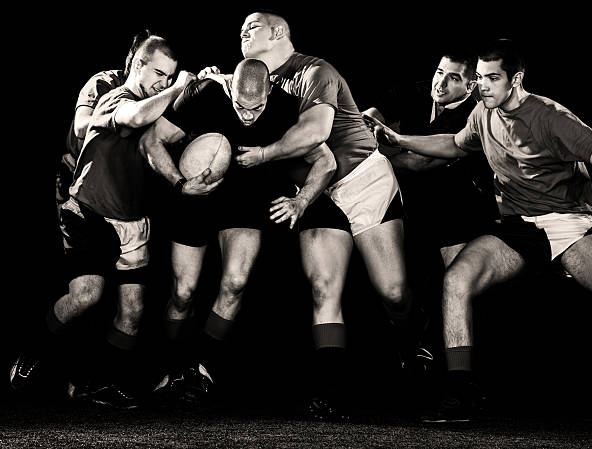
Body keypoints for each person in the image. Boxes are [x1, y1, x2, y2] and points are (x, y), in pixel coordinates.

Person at [364, 38, 592, 422]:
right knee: (457, 278)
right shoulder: (482, 113)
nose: (483, 86)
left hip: (568, 225)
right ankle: (461, 393)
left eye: (492, 79)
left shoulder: (549, 115)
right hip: (518, 228)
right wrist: (400, 139)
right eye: (479, 78)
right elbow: (455, 144)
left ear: (516, 79)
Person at [229, 11, 418, 420]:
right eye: (241, 28)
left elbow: (316, 132)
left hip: (362, 179)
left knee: (393, 293)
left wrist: (262, 155)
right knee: (322, 288)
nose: (242, 32)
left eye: (252, 26)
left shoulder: (316, 71)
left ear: (278, 32)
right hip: (315, 190)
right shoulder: (253, 79)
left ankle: (415, 354)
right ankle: (329, 392)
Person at [139, 58, 341, 407]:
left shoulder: (285, 107)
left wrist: (302, 201)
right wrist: (178, 184)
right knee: (183, 292)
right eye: (240, 107)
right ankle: (170, 370)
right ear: (230, 87)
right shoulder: (203, 94)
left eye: (257, 107)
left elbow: (327, 161)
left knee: (235, 282)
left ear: (268, 92)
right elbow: (150, 140)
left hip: (245, 201)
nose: (248, 116)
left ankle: (198, 370)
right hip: (196, 194)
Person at [9, 35, 197, 409]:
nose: (163, 81)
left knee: (133, 309)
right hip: (88, 209)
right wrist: (179, 86)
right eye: (159, 72)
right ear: (136, 65)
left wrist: (205, 89)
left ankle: (101, 384)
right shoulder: (117, 97)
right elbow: (136, 116)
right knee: (87, 295)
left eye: (170, 75)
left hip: (132, 221)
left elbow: (182, 134)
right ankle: (33, 354)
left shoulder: (157, 106)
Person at [362, 50, 499, 375]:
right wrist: (366, 129)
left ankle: (464, 374)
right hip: (405, 202)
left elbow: (419, 163)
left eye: (454, 78)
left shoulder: (475, 114)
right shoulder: (420, 90)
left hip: (457, 208)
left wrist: (377, 151)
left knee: (457, 287)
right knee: (394, 285)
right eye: (440, 72)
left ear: (471, 86)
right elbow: (366, 120)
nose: (441, 82)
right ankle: (414, 349)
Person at [57, 30, 153, 207]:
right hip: (78, 172)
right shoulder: (105, 82)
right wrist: (121, 119)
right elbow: (81, 127)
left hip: (114, 185)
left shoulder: (154, 94)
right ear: (137, 61)